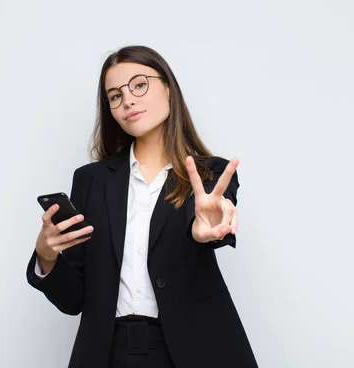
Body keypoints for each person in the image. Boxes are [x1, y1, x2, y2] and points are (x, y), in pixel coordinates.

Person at [26, 45, 259, 368]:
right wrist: (47, 258)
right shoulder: (91, 181)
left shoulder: (210, 174)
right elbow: (74, 300)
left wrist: (205, 227)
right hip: (110, 352)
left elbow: (210, 217)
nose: (128, 101)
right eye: (115, 96)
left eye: (138, 85)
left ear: (167, 87)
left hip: (195, 349)